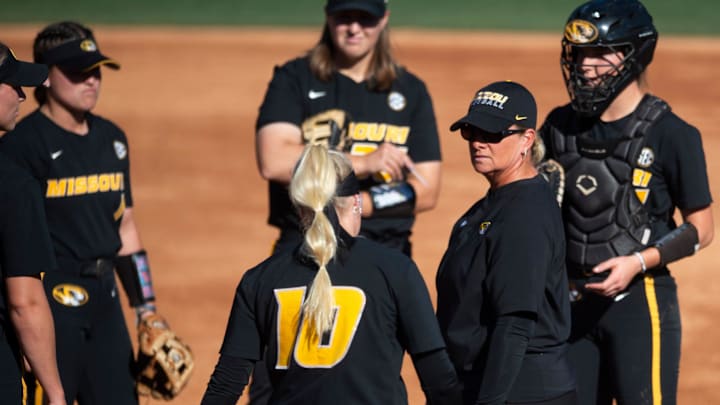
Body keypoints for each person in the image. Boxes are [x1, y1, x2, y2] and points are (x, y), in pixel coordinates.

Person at [538, 0, 714, 403]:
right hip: (571, 303)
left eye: (601, 52)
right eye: (581, 53)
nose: (586, 65)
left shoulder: (672, 134)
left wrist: (636, 262)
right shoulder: (558, 127)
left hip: (641, 301)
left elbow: (702, 229)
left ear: (635, 55)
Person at [201, 143, 460, 405]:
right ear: (357, 202)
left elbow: (225, 386)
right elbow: (439, 380)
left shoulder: (260, 280)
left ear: (298, 207)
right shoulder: (395, 270)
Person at [0, 22, 164, 405]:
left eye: (96, 71)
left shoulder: (112, 139)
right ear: (46, 76)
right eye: (77, 72)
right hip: (52, 306)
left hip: (105, 301)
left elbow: (126, 227)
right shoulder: (20, 148)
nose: (91, 81)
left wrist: (146, 309)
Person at [256, 0, 441, 257]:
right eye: (344, 17)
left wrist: (353, 206)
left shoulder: (411, 90)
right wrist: (364, 162)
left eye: (365, 18)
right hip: (306, 244)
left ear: (383, 19)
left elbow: (426, 190)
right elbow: (273, 161)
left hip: (386, 249)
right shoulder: (294, 78)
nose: (354, 28)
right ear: (328, 16)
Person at [436, 81, 577, 405]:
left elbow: (514, 325)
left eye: (492, 134)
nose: (478, 143)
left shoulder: (525, 214)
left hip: (522, 392)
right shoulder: (491, 204)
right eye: (471, 131)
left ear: (527, 139)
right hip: (485, 383)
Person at [0, 42, 66, 405]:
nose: (24, 96)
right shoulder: (13, 184)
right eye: (14, 85)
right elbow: (24, 303)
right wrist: (54, 393)